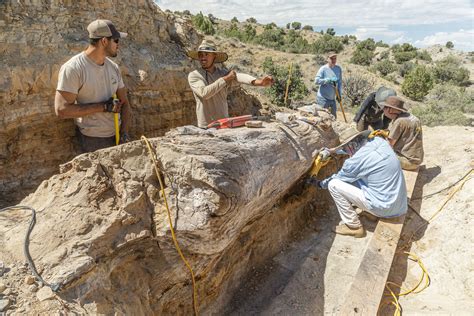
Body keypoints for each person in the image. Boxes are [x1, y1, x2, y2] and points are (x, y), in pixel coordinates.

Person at [308, 129, 407, 238]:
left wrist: (318, 183)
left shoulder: (354, 162)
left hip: (384, 208)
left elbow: (337, 179)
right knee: (361, 178)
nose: (345, 151)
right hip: (400, 204)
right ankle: (372, 212)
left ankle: (354, 227)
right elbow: (353, 149)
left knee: (334, 185)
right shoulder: (380, 141)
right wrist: (332, 151)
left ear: (352, 145)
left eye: (345, 148)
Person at [55, 19, 131, 153]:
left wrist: (124, 133)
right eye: (116, 40)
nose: (119, 45)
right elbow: (62, 110)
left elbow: (124, 102)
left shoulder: (113, 68)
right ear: (104, 41)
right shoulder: (74, 69)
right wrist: (103, 107)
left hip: (117, 135)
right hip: (92, 140)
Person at [187, 40, 274, 128]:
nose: (203, 58)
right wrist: (225, 79)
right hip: (205, 126)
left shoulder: (221, 73)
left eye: (206, 54)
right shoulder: (194, 75)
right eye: (201, 55)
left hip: (224, 124)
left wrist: (259, 82)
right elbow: (204, 93)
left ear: (214, 56)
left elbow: (238, 77)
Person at [381, 96, 424, 171]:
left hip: (408, 161)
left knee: (379, 157)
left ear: (390, 109)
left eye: (385, 107)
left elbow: (389, 145)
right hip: (417, 159)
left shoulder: (399, 121)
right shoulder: (412, 117)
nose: (383, 109)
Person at [314, 52, 342, 118]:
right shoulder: (323, 69)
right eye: (331, 58)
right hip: (322, 99)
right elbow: (316, 81)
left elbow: (339, 82)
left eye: (335, 58)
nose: (333, 60)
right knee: (321, 119)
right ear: (327, 59)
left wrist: (339, 94)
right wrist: (327, 80)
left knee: (333, 118)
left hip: (332, 99)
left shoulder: (338, 69)